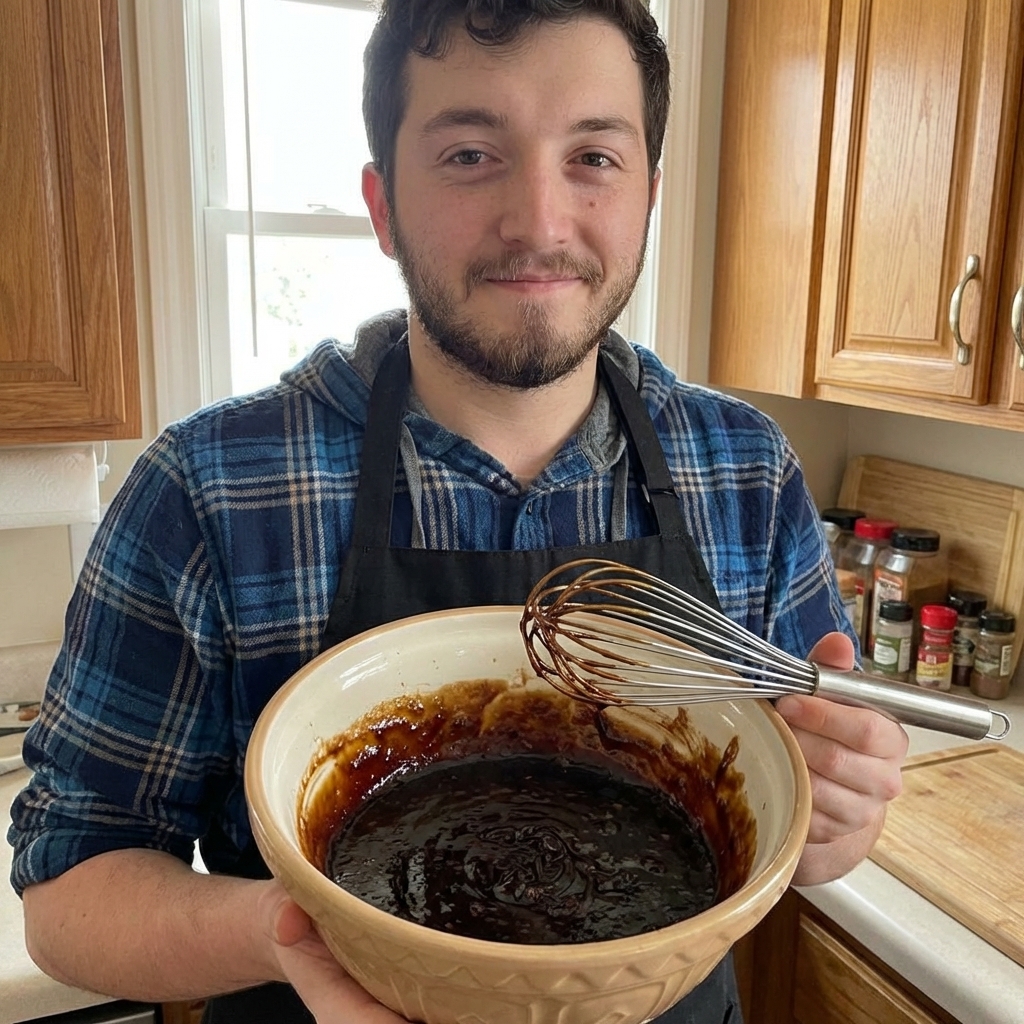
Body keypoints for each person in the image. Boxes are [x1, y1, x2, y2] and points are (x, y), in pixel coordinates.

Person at [9, 1, 908, 1022]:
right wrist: (291, 931)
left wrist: (833, 815)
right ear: (383, 202)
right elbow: (68, 893)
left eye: (593, 158)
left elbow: (794, 805)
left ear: (649, 196)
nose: (537, 219)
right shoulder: (207, 491)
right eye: (472, 153)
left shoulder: (745, 470)